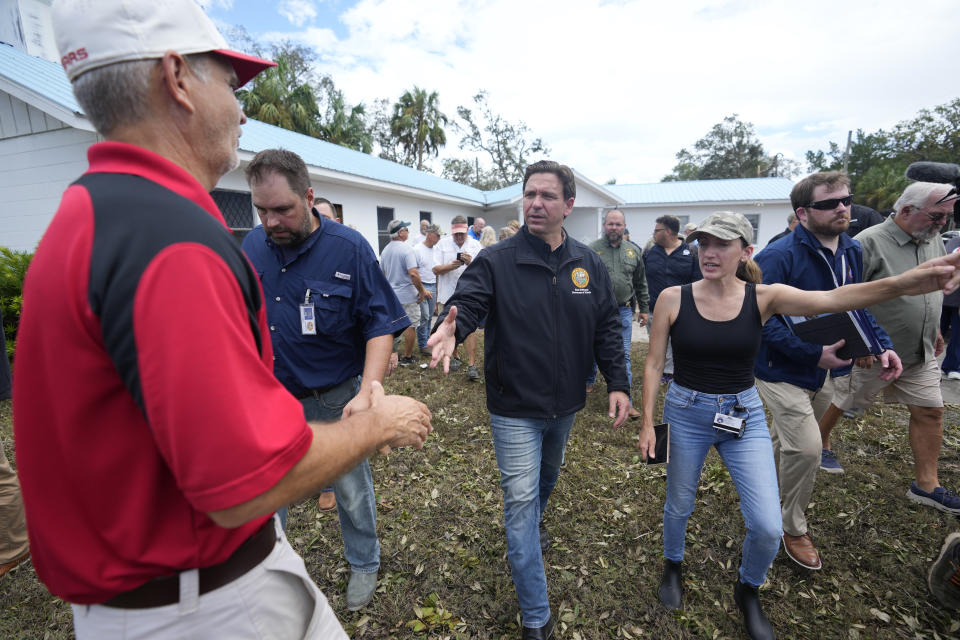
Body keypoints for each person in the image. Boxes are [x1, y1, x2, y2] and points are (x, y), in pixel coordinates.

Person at [13, 2, 432, 637]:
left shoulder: (90, 214)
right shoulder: (170, 239)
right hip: (206, 605)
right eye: (231, 86)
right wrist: (378, 426)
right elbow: (241, 484)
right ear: (177, 78)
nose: (240, 111)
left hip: (141, 597)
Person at [637, 211, 960, 640]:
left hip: (742, 414)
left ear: (745, 252)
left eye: (721, 244)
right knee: (679, 503)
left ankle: (748, 589)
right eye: (703, 243)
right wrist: (647, 423)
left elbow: (835, 299)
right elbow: (655, 362)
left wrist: (904, 283)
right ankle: (673, 565)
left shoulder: (764, 297)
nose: (709, 253)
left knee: (769, 525)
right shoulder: (672, 298)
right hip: (686, 411)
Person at [429, 160, 631, 640]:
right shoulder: (498, 260)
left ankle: (527, 533)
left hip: (566, 404)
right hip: (514, 404)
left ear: (568, 205)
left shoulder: (588, 263)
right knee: (520, 503)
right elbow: (472, 300)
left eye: (547, 195)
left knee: (545, 480)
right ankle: (536, 618)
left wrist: (619, 383)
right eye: (529, 194)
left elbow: (606, 327)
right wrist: (455, 323)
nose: (536, 203)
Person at [241, 148, 411, 611]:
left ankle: (364, 563)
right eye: (261, 210)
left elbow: (380, 324)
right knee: (268, 497)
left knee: (352, 491)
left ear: (309, 197)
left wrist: (367, 391)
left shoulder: (349, 248)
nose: (271, 221)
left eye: (282, 209)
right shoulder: (252, 247)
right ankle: (264, 573)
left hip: (336, 397)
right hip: (272, 398)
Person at [753, 171, 897, 571]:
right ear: (802, 213)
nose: (842, 209)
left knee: (786, 442)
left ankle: (760, 491)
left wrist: (881, 345)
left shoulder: (851, 251)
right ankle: (790, 526)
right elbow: (758, 318)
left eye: (846, 200)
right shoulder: (778, 256)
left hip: (826, 371)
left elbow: (857, 304)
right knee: (808, 447)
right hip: (779, 368)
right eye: (829, 203)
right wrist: (810, 352)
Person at [818, 182, 960, 515]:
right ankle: (819, 442)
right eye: (937, 215)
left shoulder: (933, 241)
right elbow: (845, 297)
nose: (943, 223)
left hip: (920, 351)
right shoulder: (867, 243)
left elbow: (932, 288)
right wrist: (861, 342)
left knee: (930, 411)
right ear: (908, 210)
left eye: (947, 216)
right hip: (875, 351)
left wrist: (935, 328)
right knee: (842, 400)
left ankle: (926, 484)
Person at [586, 209, 649, 418]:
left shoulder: (633, 251)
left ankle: (626, 402)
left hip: (623, 310)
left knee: (623, 355)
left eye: (618, 224)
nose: (614, 228)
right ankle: (588, 380)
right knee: (591, 350)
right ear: (604, 225)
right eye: (610, 224)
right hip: (595, 310)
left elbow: (641, 282)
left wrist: (645, 309)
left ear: (624, 226)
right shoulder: (591, 251)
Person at [643, 215, 701, 382]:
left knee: (679, 342)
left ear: (668, 231)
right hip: (654, 308)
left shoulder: (690, 252)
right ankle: (661, 371)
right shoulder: (650, 252)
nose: (653, 233)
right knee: (657, 342)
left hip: (681, 309)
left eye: (656, 230)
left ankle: (674, 372)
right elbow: (641, 279)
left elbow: (697, 281)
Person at [434, 215, 483, 380]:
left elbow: (484, 270)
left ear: (467, 230)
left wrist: (471, 264)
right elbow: (435, 269)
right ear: (451, 232)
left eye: (462, 233)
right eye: (456, 234)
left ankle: (471, 365)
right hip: (447, 294)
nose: (459, 237)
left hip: (469, 296)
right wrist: (450, 266)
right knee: (449, 327)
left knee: (470, 330)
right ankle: (455, 356)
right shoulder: (442, 244)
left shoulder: (476, 245)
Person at [381, 220, 429, 366]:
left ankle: (390, 354)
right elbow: (413, 274)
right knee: (411, 325)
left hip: (392, 295)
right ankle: (407, 357)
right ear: (400, 232)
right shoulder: (407, 249)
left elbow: (382, 274)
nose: (408, 232)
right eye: (406, 229)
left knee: (394, 325)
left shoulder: (385, 250)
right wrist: (422, 291)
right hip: (407, 295)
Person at [414, 224, 442, 355]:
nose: (439, 238)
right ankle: (423, 345)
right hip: (422, 285)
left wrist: (436, 288)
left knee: (430, 316)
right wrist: (421, 289)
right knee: (424, 316)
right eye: (438, 235)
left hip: (432, 285)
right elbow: (414, 271)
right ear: (430, 235)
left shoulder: (436, 250)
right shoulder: (417, 249)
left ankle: (427, 342)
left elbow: (436, 270)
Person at [941, 234, 960, 379]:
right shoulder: (955, 241)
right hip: (942, 297)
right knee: (933, 333)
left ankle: (952, 366)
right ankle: (926, 365)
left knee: (957, 335)